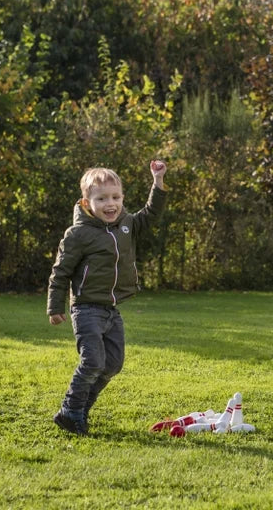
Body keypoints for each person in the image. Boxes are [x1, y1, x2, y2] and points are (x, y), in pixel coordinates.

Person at [47, 160, 167, 435]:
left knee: (113, 364)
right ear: (87, 202)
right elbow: (60, 272)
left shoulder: (126, 225)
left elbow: (151, 214)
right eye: (102, 199)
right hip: (86, 309)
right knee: (92, 362)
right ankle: (71, 410)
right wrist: (55, 306)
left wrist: (157, 182)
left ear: (122, 198)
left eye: (115, 197)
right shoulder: (78, 235)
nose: (110, 204)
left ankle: (78, 410)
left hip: (111, 310)